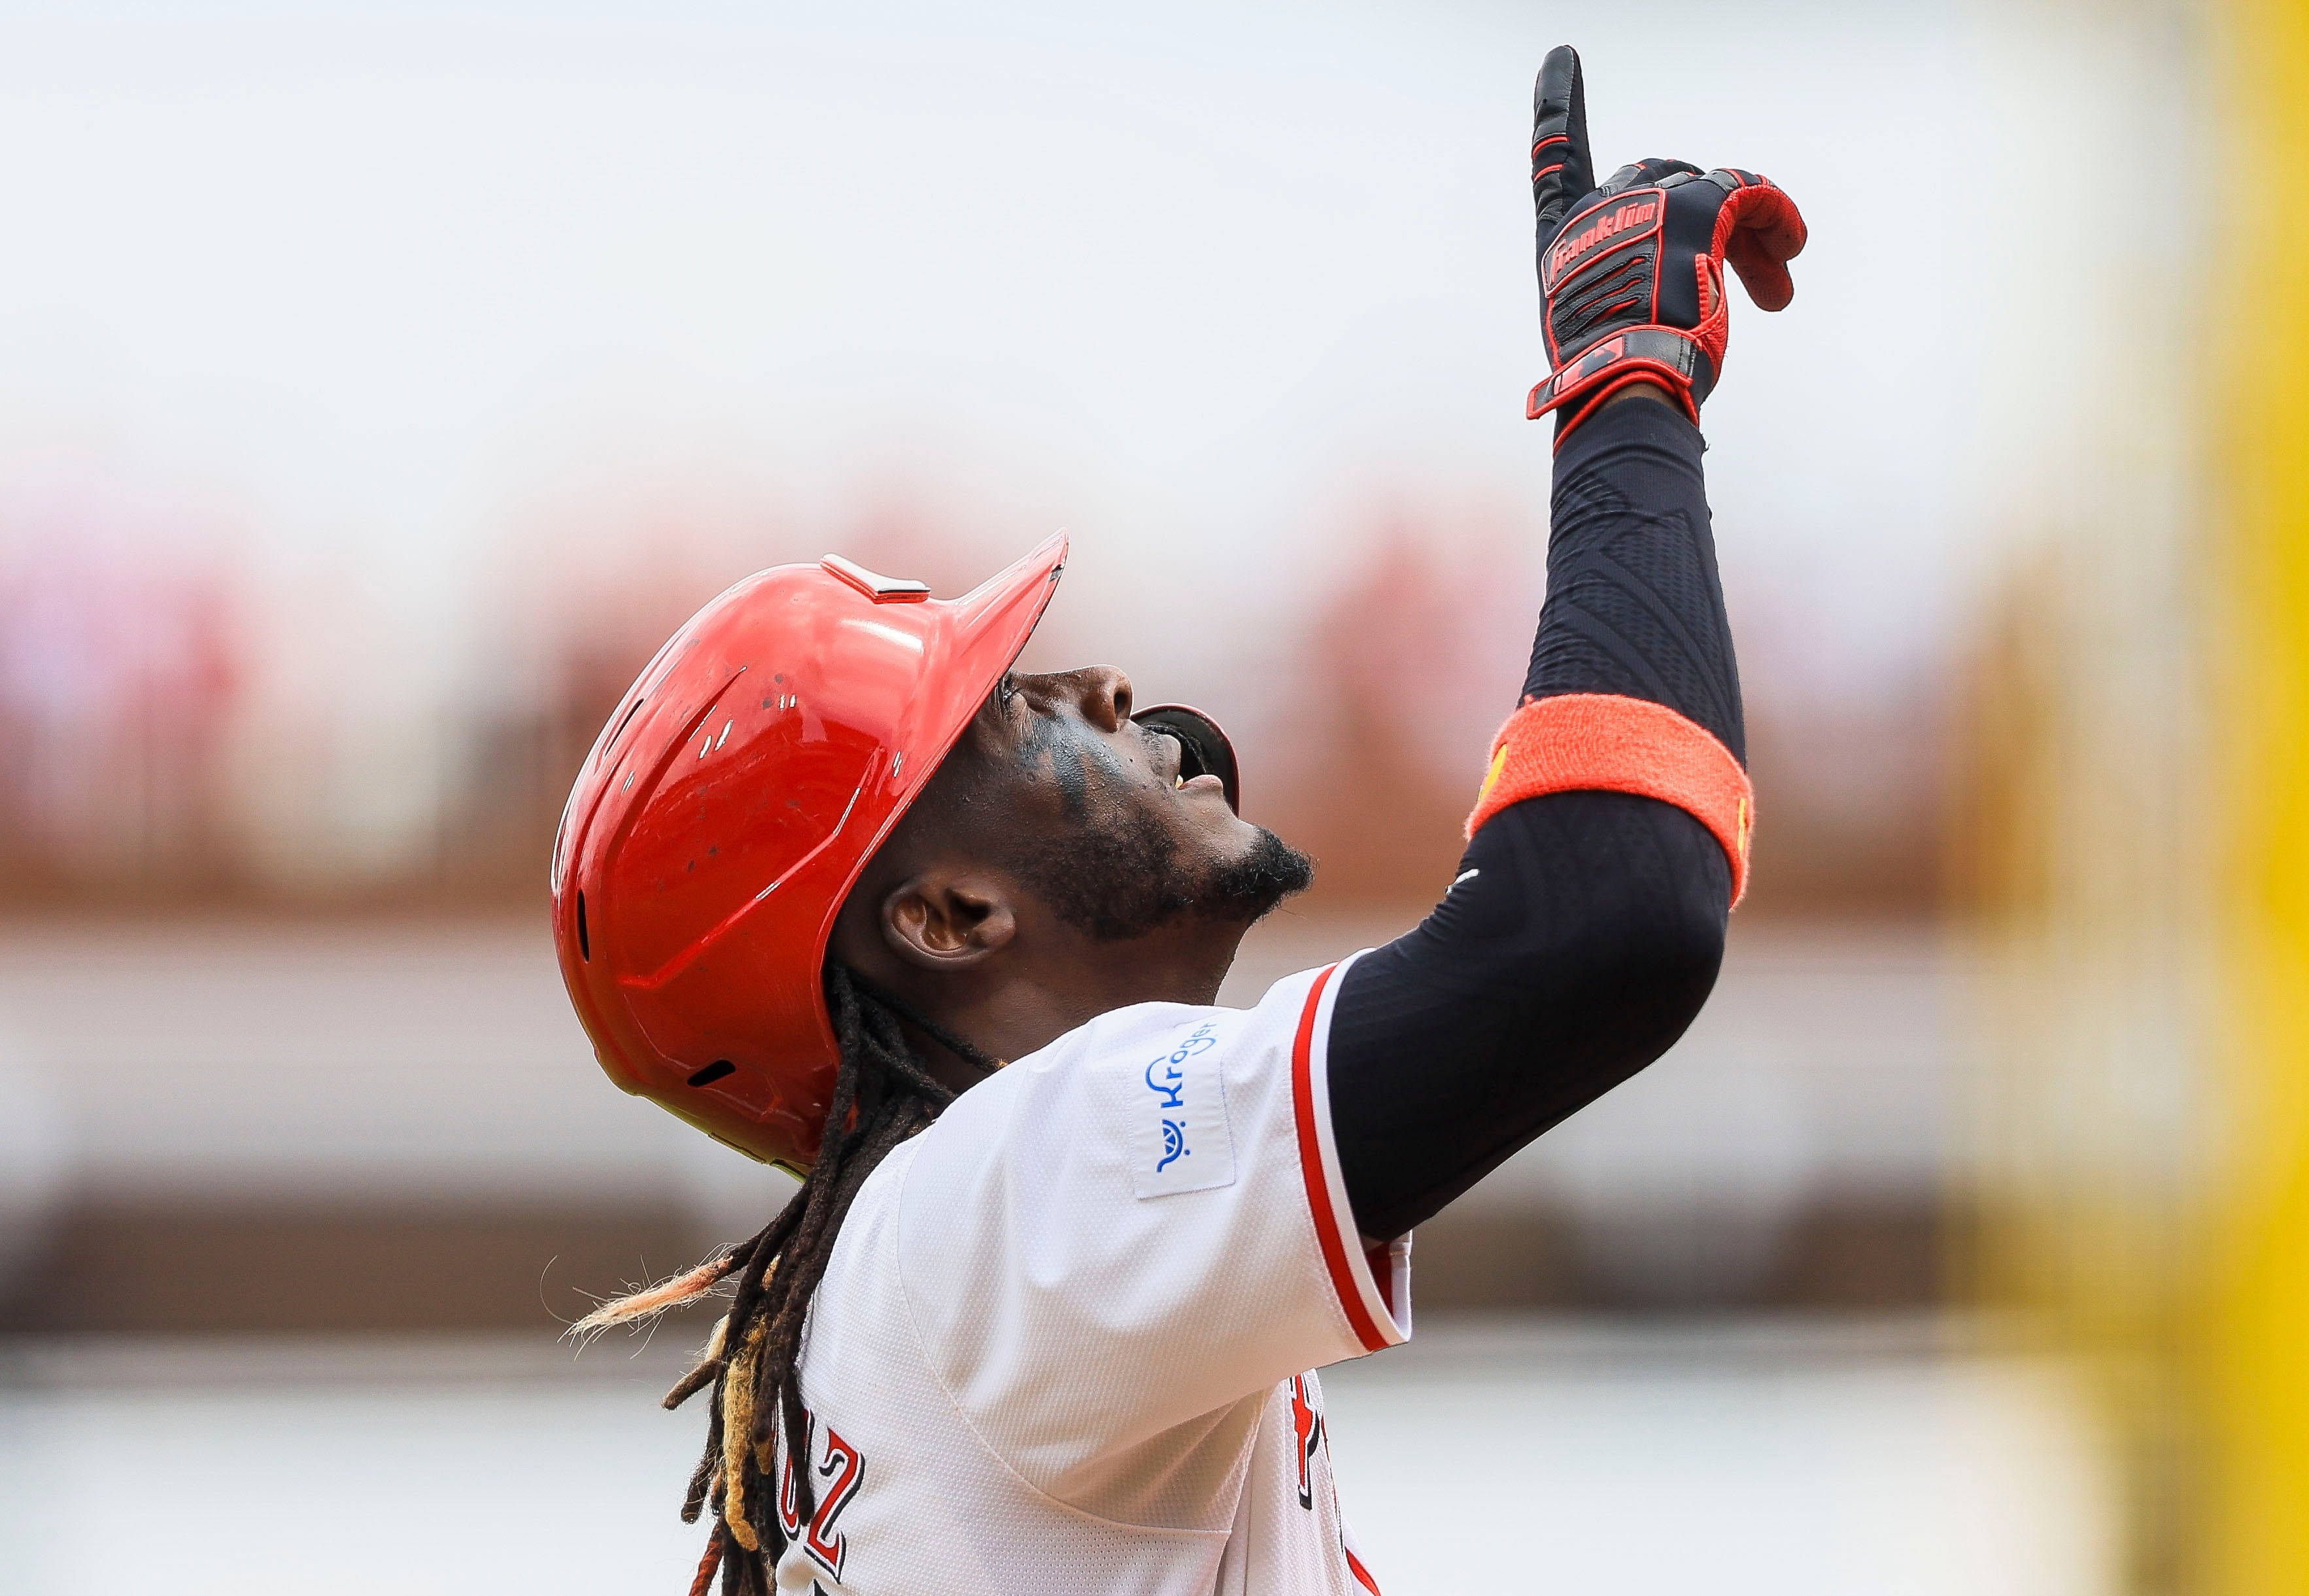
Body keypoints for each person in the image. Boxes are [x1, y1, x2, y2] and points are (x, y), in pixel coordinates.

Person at [552, 44, 1805, 1596]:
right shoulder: (1015, 1195)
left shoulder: (963, 1267)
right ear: (943, 920)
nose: (1100, 682)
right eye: (1007, 709)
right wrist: (1625, 386)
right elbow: (1605, 914)